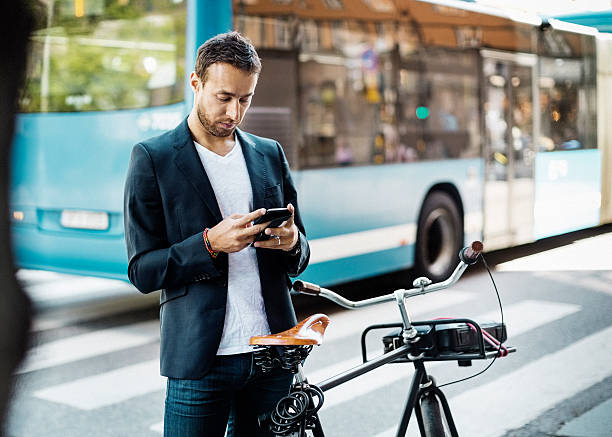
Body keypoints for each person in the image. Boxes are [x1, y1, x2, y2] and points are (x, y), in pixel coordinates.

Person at [123, 31, 310, 436]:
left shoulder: (269, 153)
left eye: (245, 99)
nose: (235, 111)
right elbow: (142, 270)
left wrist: (294, 242)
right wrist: (209, 245)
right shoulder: (152, 159)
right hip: (202, 360)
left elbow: (301, 249)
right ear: (196, 83)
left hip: (274, 355)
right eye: (223, 97)